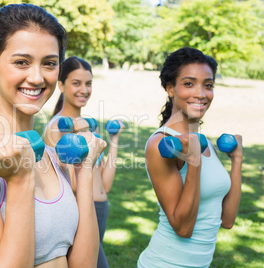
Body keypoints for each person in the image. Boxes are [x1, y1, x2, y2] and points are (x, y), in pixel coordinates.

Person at [0, 4, 106, 267]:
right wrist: (19, 182)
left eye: (49, 64)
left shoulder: (50, 154)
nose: (37, 77)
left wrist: (84, 170)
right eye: (22, 62)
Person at [137, 47, 243, 268]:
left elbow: (227, 220)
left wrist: (237, 161)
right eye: (189, 83)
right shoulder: (161, 144)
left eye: (208, 85)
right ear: (170, 88)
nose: (201, 93)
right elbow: (183, 228)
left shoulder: (203, 142)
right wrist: (194, 163)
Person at [44, 56, 124, 268]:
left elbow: (104, 185)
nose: (84, 90)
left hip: (99, 208)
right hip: (82, 209)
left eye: (88, 83)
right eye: (76, 83)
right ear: (61, 85)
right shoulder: (57, 128)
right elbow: (67, 186)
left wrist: (113, 141)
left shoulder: (89, 126)